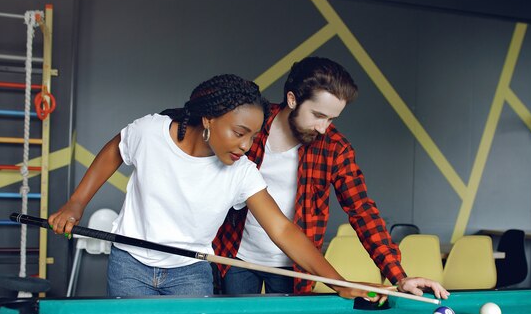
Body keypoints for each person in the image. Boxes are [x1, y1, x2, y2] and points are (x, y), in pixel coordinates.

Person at [49, 74, 387, 300]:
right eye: (239, 133)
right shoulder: (152, 132)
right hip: (129, 266)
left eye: (253, 136)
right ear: (208, 120)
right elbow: (114, 150)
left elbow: (285, 230)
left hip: (190, 273)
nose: (246, 145)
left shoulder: (242, 172)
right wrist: (76, 203)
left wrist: (341, 283)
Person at [213, 58, 450, 300]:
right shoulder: (252, 125)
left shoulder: (336, 148)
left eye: (331, 119)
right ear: (293, 99)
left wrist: (399, 276)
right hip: (235, 255)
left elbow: (362, 211)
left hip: (298, 267)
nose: (323, 128)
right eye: (318, 115)